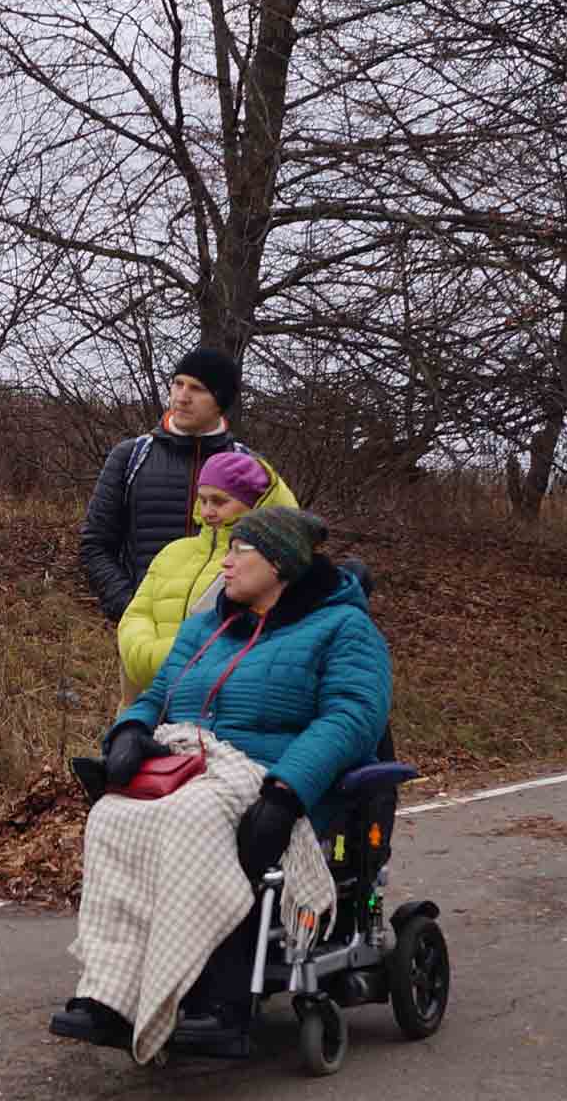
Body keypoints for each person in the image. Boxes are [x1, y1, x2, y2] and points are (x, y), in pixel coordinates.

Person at [55, 506, 392, 1059]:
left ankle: (221, 1000)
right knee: (112, 816)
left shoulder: (343, 629)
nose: (226, 563)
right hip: (192, 765)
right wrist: (131, 731)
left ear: (280, 564)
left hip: (274, 777)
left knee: (195, 820)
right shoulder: (209, 624)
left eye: (241, 552)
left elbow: (352, 718)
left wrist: (286, 791)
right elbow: (157, 693)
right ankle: (111, 994)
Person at [77, 345, 294, 624]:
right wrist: (130, 609)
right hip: (142, 631)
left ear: (220, 400)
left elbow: (280, 551)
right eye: (178, 384)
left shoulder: (249, 466)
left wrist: (243, 619)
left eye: (197, 388)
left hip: (224, 637)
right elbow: (95, 544)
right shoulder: (131, 456)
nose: (182, 396)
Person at [115, 449, 289, 693]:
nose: (206, 511)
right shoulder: (174, 552)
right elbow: (135, 615)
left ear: (254, 504)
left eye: (219, 501)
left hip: (208, 714)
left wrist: (152, 661)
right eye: (203, 499)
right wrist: (148, 657)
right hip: (142, 710)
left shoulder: (266, 565)